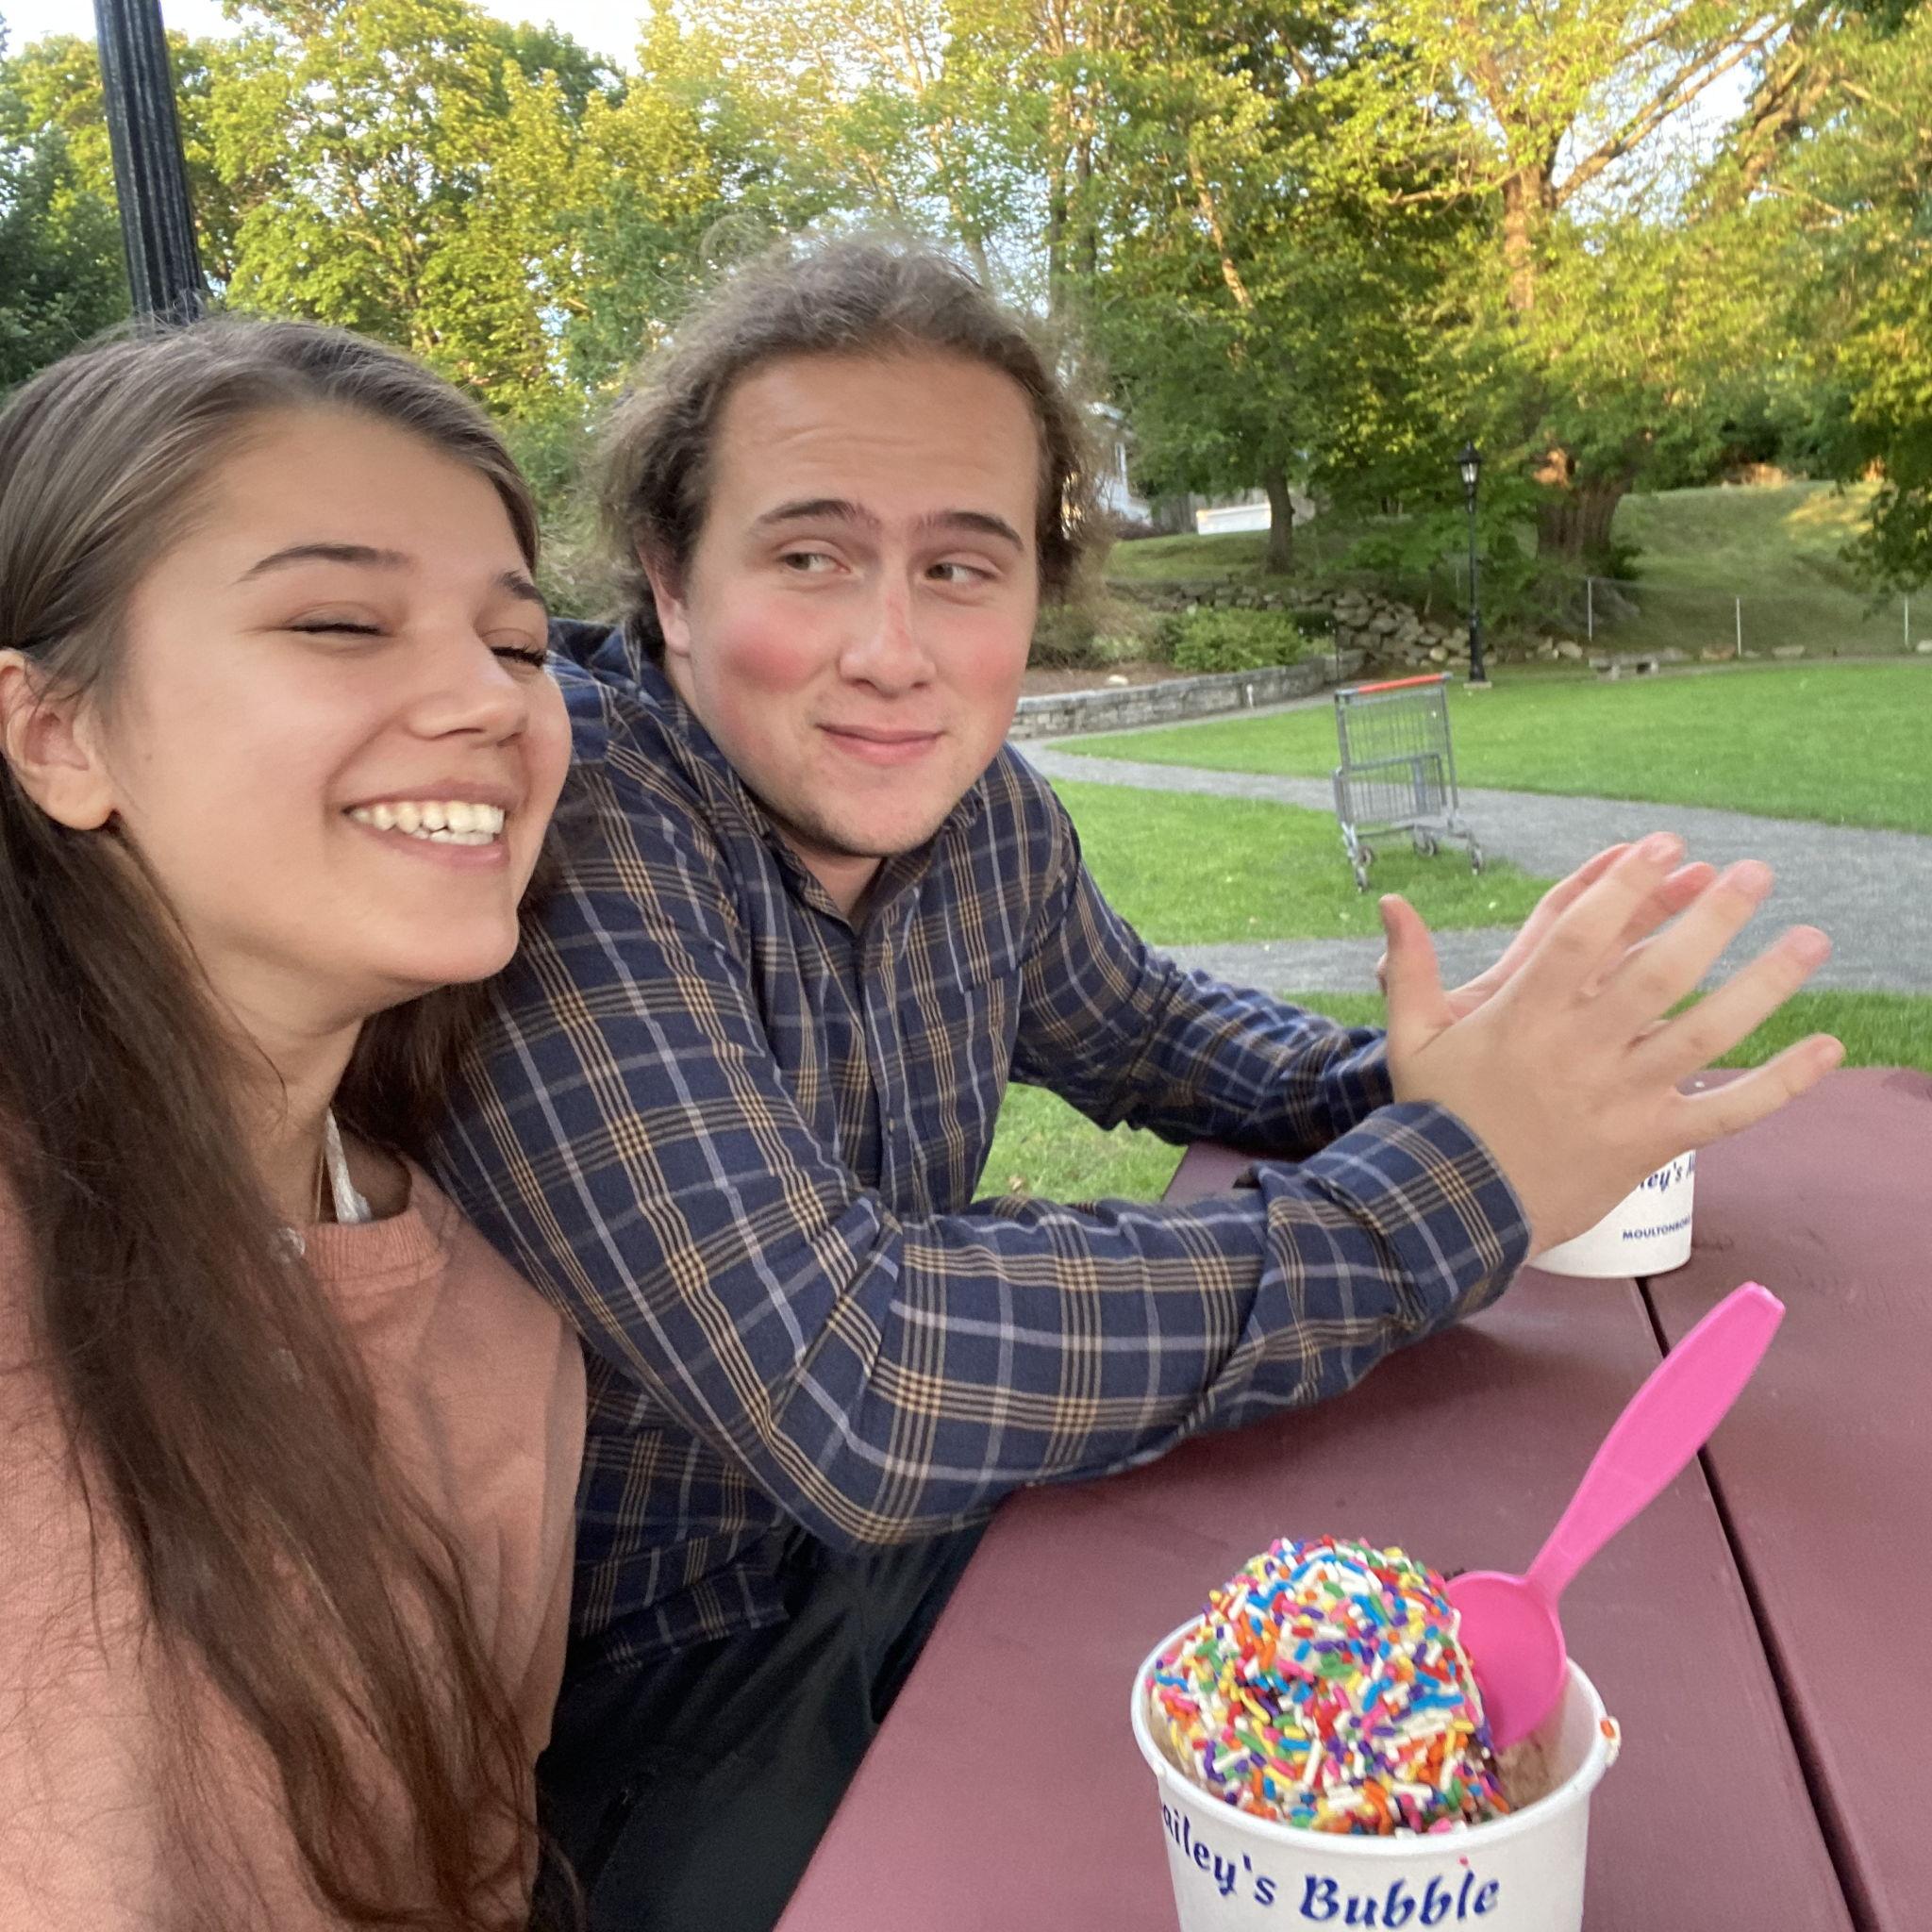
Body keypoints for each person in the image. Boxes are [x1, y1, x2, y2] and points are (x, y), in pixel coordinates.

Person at [427, 238, 1840, 1932]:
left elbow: (1155, 1030)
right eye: (812, 556)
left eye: (962, 567)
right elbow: (858, 1382)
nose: (894, 649)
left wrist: (1419, 1082)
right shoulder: (570, 827)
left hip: (927, 1575)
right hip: (632, 1720)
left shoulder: (982, 821)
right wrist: (1447, 1193)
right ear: (669, 580)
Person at [0, 319, 585, 1929]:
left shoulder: (497, 1347)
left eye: (521, 645)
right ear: (59, 735)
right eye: (339, 621)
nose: (489, 701)